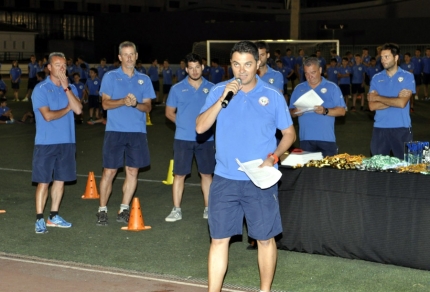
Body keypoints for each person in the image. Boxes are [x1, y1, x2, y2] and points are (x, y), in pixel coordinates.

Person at [196, 40, 296, 292]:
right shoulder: (219, 90)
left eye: (248, 64)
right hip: (225, 179)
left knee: (264, 239)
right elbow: (200, 127)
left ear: (259, 63)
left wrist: (273, 158)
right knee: (218, 240)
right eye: (237, 64)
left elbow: (289, 134)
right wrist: (222, 99)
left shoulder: (272, 95)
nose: (242, 70)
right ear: (230, 65)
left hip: (259, 180)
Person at [95, 41, 156, 226]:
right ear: (120, 57)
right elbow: (104, 104)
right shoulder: (110, 77)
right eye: (125, 55)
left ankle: (124, 208)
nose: (129, 58)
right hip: (115, 131)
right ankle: (102, 210)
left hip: (136, 132)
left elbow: (148, 107)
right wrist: (123, 101)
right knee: (110, 171)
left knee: (132, 171)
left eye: (132, 54)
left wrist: (135, 103)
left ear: (136, 56)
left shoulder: (144, 79)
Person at [31, 52, 83, 234]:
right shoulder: (41, 89)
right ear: (49, 68)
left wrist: (66, 88)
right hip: (46, 143)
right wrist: (68, 107)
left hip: (67, 142)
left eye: (64, 65)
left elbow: (78, 110)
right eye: (58, 65)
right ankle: (39, 218)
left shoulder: (71, 88)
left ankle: (53, 216)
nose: (62, 68)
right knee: (43, 182)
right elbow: (47, 116)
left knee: (60, 181)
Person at [164, 53, 215, 222]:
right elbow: (169, 113)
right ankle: (176, 209)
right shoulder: (177, 88)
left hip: (206, 139)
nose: (194, 71)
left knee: (206, 174)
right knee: (179, 175)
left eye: (197, 67)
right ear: (186, 69)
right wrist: (184, 125)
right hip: (183, 139)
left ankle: (209, 209)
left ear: (202, 67)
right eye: (190, 68)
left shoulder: (213, 88)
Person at [289, 57, 346, 157]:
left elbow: (342, 111)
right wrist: (295, 112)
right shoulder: (299, 88)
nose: (310, 76)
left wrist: (325, 111)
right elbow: (289, 112)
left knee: (329, 171)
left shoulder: (332, 87)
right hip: (305, 139)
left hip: (327, 139)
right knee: (307, 172)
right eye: (306, 73)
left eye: (313, 72)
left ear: (320, 70)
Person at [367, 43, 415, 160]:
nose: (383, 60)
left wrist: (378, 97)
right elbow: (372, 106)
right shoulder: (376, 78)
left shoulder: (408, 76)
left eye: (386, 57)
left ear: (396, 57)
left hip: (401, 128)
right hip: (380, 128)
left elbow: (401, 103)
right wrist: (396, 98)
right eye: (381, 57)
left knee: (405, 167)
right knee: (378, 168)